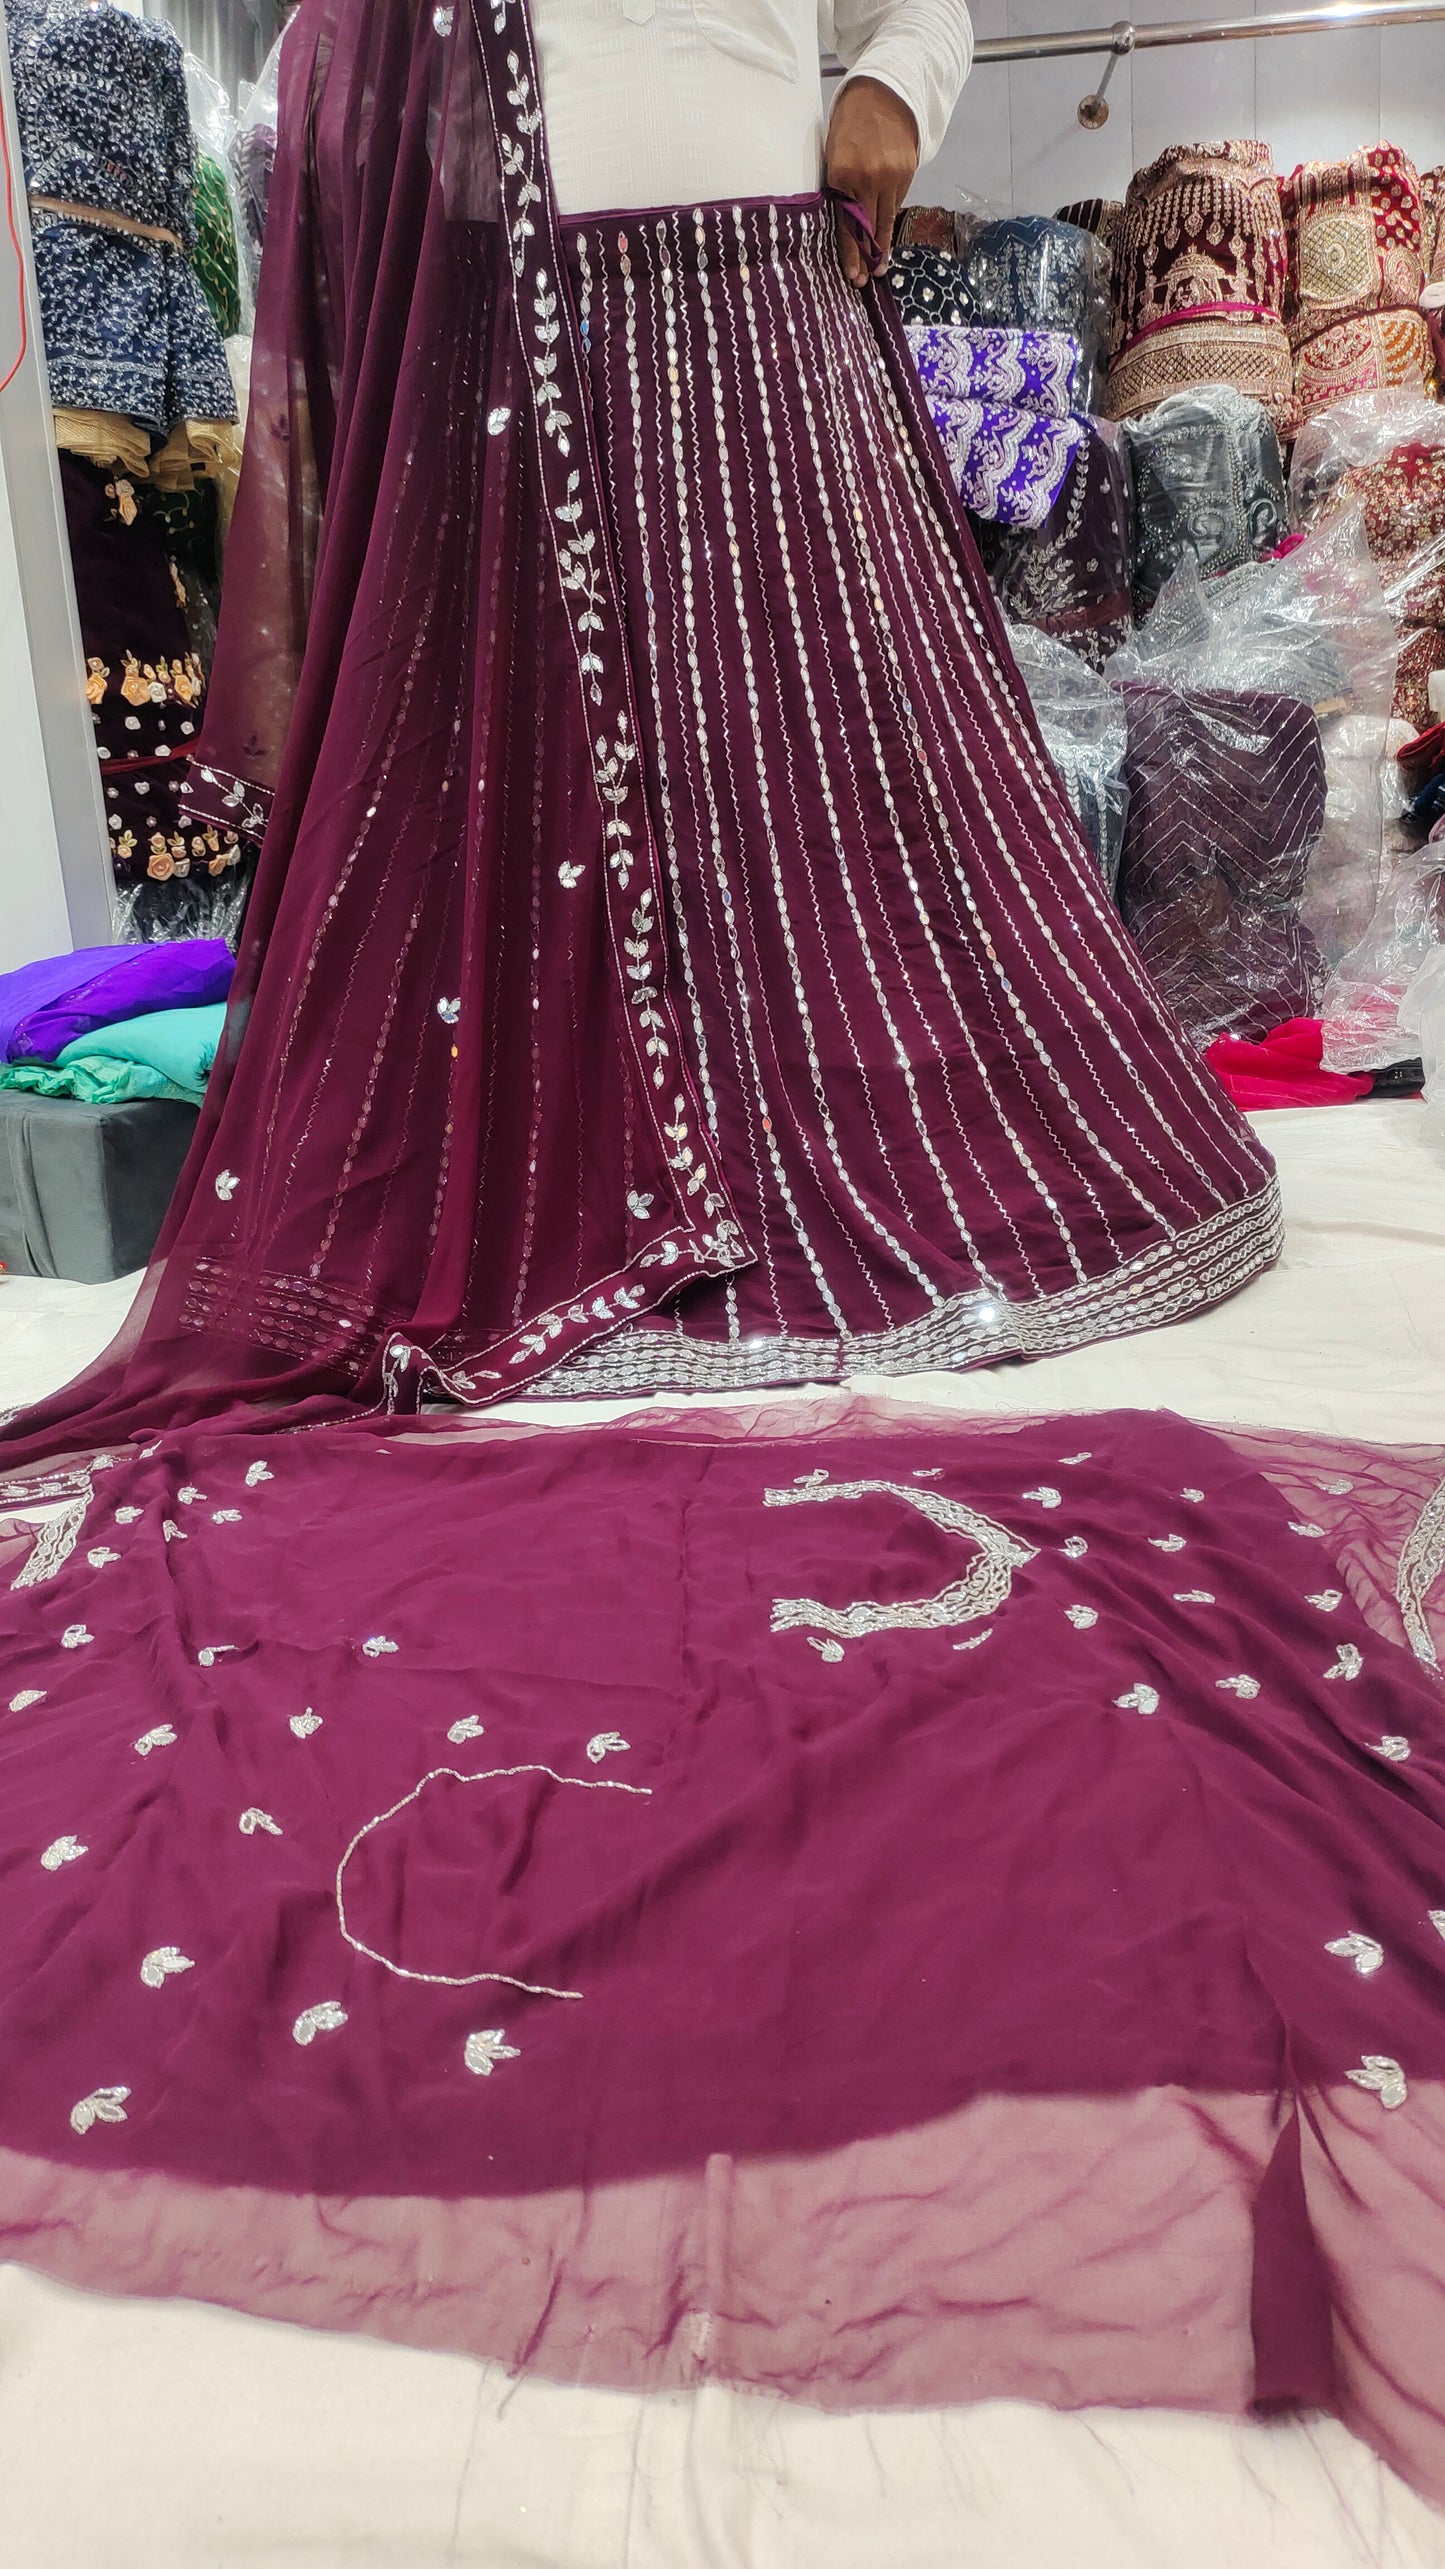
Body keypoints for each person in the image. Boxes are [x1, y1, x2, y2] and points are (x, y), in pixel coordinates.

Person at [8, 0, 1279, 1441]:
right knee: (529, 804)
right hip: (515, 344)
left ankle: (839, 1138)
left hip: (765, 322)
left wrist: (890, 90)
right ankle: (579, 1166)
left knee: (813, 781)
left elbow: (917, 10)